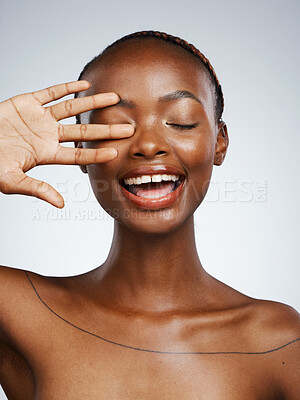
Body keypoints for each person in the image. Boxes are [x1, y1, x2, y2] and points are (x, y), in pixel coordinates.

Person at [0, 30, 299, 399]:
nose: (148, 145)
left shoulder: (279, 341)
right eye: (115, 125)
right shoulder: (17, 310)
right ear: (80, 143)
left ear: (219, 142)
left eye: (181, 121)